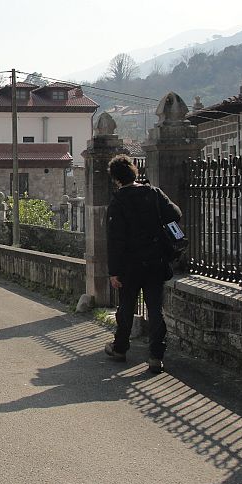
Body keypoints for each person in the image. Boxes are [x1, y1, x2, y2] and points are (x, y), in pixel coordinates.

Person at [104, 155, 181, 374]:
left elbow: (115, 240)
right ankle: (156, 356)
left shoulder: (118, 202)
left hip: (130, 266)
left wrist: (114, 272)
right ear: (134, 171)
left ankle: (120, 348)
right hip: (155, 261)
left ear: (116, 178)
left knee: (126, 307)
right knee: (155, 308)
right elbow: (176, 214)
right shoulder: (154, 194)